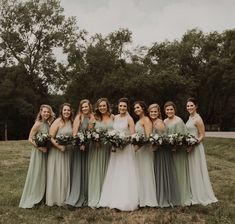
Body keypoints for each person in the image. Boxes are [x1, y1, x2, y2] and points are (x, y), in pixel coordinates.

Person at [98, 98, 138, 211]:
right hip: (115, 149)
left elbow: (133, 135)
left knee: (125, 172)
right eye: (120, 106)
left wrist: (123, 141)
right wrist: (114, 141)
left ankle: (125, 200)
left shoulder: (130, 119)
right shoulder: (114, 117)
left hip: (125, 149)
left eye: (124, 106)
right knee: (115, 171)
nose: (122, 108)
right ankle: (113, 198)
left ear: (127, 107)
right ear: (118, 106)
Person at [19, 105, 55, 208]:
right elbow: (30, 139)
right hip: (38, 153)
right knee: (38, 173)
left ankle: (43, 196)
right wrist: (39, 147)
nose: (46, 113)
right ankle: (34, 196)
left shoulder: (49, 124)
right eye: (44, 112)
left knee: (45, 174)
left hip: (47, 152)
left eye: (48, 112)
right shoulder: (37, 124)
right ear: (40, 112)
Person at [186, 97, 218, 205]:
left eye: (191, 105)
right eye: (188, 106)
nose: (189, 107)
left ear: (196, 106)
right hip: (189, 147)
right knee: (191, 170)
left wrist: (194, 143)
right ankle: (192, 192)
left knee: (196, 169)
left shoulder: (197, 119)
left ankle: (199, 194)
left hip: (196, 147)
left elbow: (202, 135)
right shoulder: (190, 117)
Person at [148, 103, 180, 207]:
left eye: (155, 112)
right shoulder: (152, 122)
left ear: (158, 113)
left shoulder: (159, 122)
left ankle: (164, 198)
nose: (153, 113)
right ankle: (158, 196)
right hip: (157, 151)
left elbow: (164, 138)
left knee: (162, 172)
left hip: (162, 151)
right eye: (151, 112)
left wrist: (156, 144)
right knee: (157, 173)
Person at [66, 99, 94, 207]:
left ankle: (87, 194)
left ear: (89, 107)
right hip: (79, 148)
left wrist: (87, 142)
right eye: (83, 107)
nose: (84, 109)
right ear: (80, 108)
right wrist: (80, 143)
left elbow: (91, 132)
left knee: (88, 169)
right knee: (79, 169)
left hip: (89, 147)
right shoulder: (79, 117)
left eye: (86, 106)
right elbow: (74, 134)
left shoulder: (92, 117)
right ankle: (77, 195)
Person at [164, 101, 192, 206]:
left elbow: (182, 137)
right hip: (168, 151)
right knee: (172, 174)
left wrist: (176, 146)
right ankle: (174, 197)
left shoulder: (179, 120)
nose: (169, 111)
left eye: (171, 109)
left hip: (178, 151)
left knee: (180, 172)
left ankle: (183, 197)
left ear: (174, 110)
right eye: (167, 109)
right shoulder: (165, 121)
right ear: (165, 111)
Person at [46, 103, 73, 206]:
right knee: (58, 173)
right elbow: (50, 137)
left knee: (66, 173)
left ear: (71, 112)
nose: (66, 112)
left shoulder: (71, 121)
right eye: (65, 110)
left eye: (68, 110)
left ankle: (66, 196)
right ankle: (56, 198)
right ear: (61, 111)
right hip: (57, 152)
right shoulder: (57, 121)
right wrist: (59, 147)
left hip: (68, 152)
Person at [88, 98, 113, 207]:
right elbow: (89, 132)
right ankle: (96, 197)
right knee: (98, 171)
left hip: (110, 148)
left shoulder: (112, 117)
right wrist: (95, 140)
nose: (102, 107)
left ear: (107, 106)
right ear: (97, 107)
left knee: (109, 170)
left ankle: (107, 196)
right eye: (100, 106)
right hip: (98, 147)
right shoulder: (94, 117)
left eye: (104, 105)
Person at [134, 101, 158, 207]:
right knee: (140, 173)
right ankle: (141, 198)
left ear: (143, 108)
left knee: (146, 173)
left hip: (145, 150)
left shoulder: (146, 120)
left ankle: (148, 199)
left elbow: (148, 137)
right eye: (135, 108)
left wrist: (138, 146)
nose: (136, 110)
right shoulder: (139, 120)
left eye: (138, 107)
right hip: (139, 151)